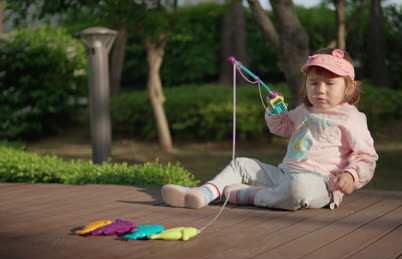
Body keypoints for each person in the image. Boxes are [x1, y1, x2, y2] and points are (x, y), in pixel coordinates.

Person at [161, 48, 378, 210]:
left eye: (329, 84)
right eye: (314, 83)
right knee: (241, 164)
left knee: (298, 189)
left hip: (321, 185)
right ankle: (204, 192)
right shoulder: (304, 111)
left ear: (348, 87)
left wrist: (351, 175)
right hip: (283, 174)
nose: (320, 90)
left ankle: (248, 195)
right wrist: (275, 111)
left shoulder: (351, 118)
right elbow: (282, 128)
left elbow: (366, 156)